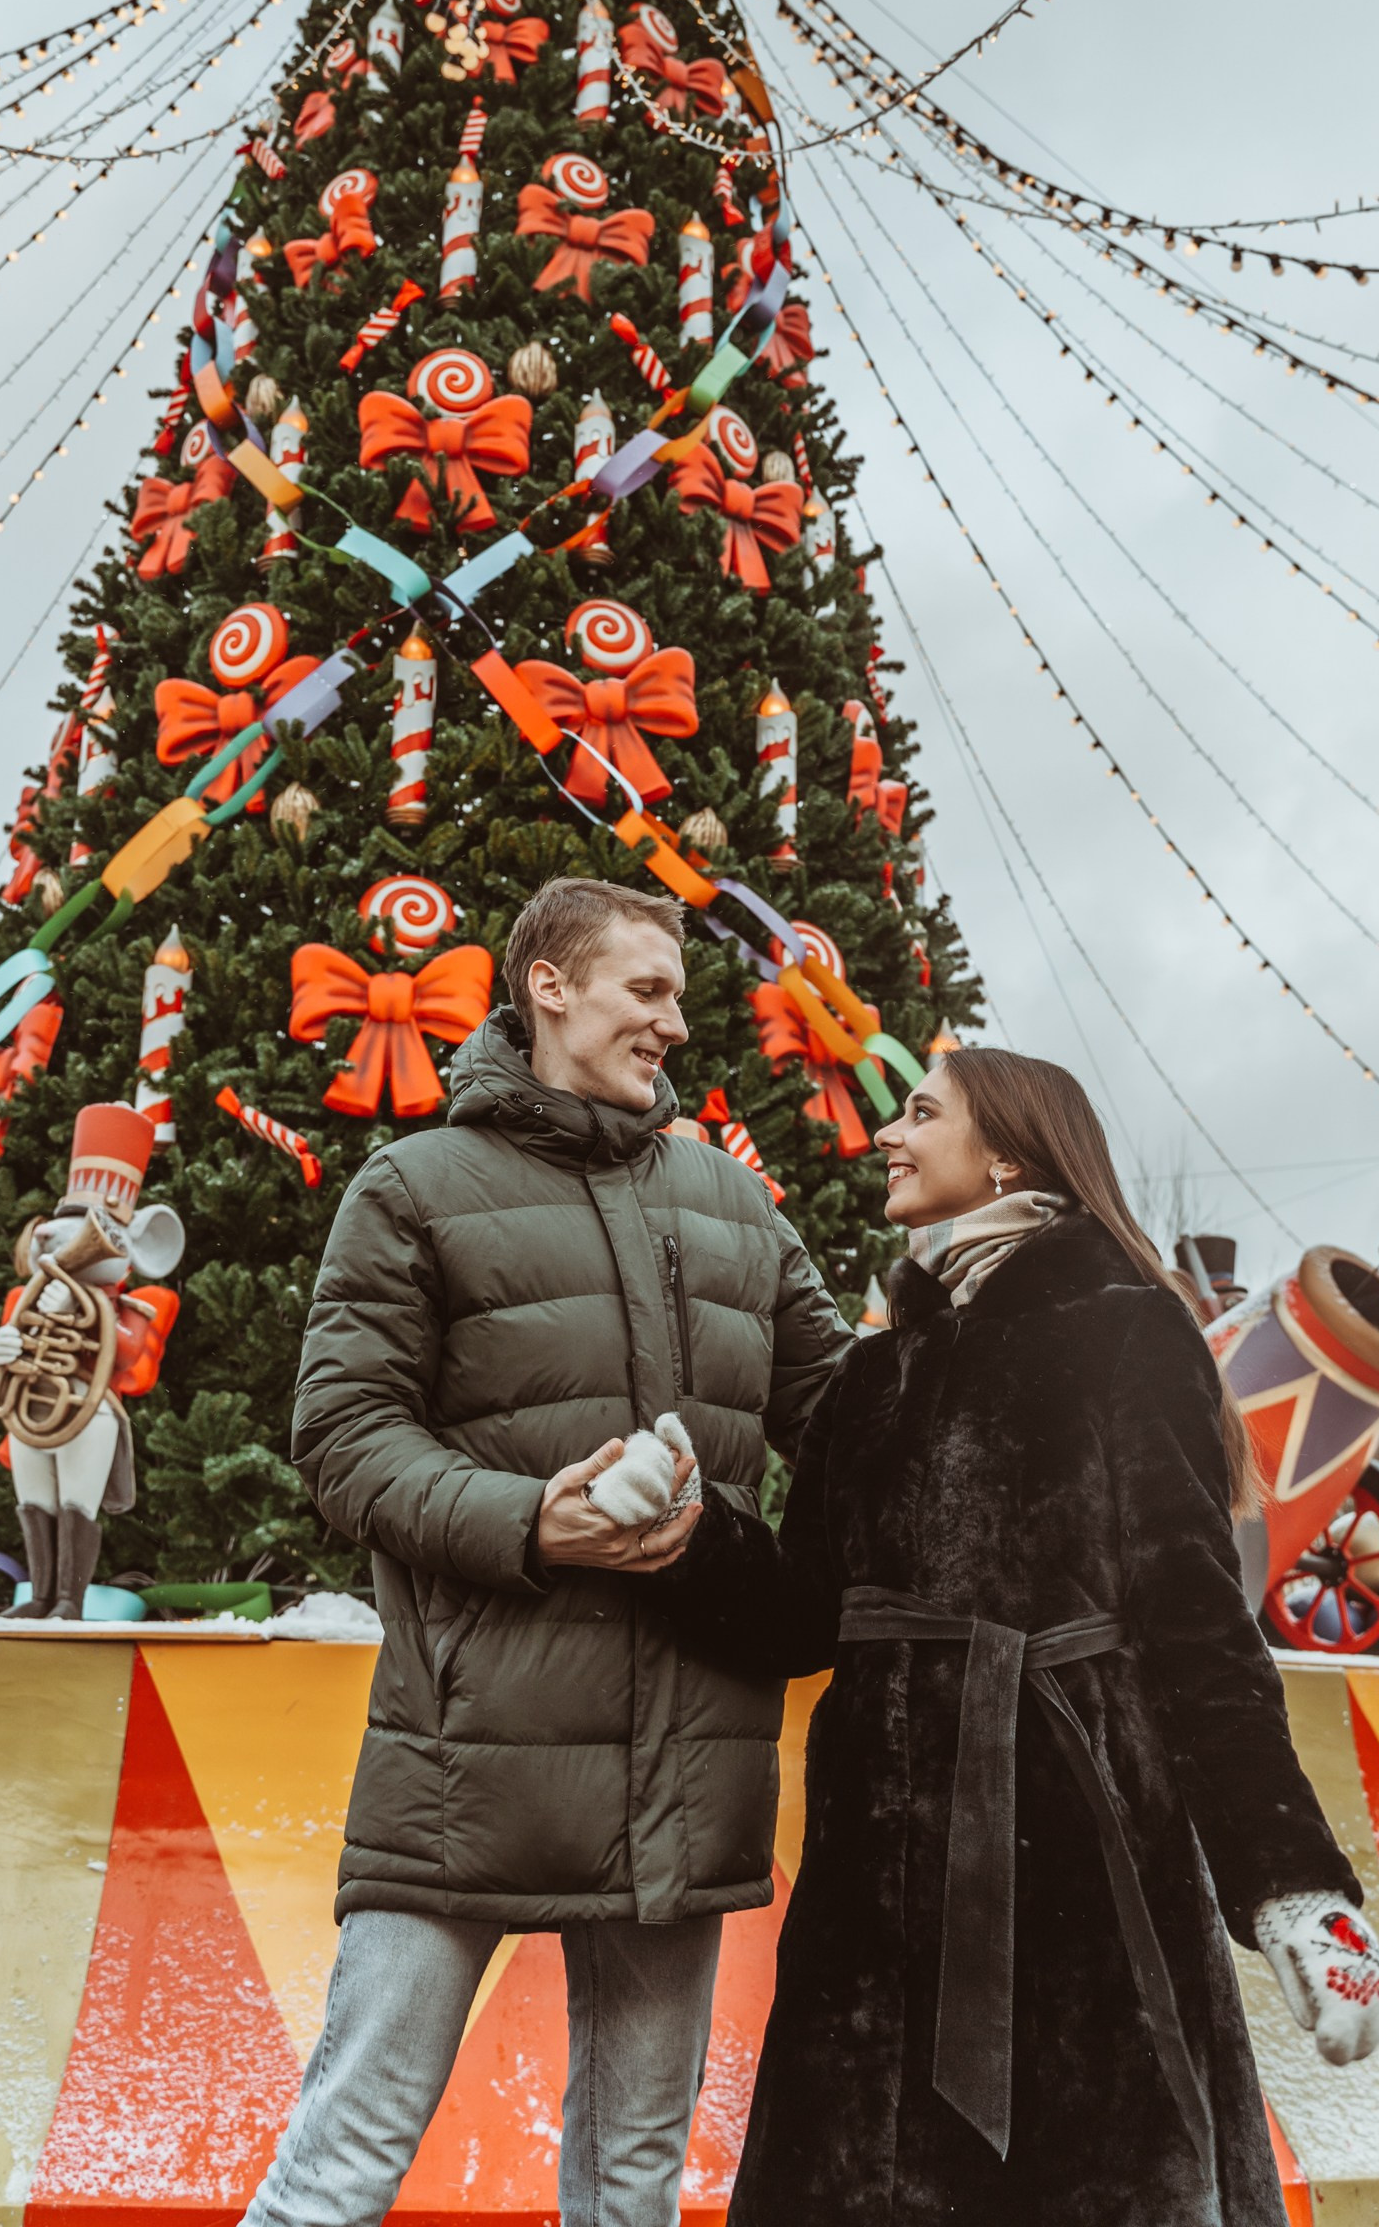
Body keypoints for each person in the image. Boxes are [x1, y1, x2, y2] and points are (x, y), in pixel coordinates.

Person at [653, 1046, 1379, 2227]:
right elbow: (803, 1614)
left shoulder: (1122, 1330)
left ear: (1006, 1150)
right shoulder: (871, 1374)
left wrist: (1294, 1887)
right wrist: (677, 1532)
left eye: (919, 1111)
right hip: (869, 1894)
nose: (887, 1135)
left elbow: (1194, 1625)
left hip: (1074, 1860)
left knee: (1085, 2182)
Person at [242, 875, 848, 2227]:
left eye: (681, 996)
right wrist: (531, 1523)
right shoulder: (413, 1186)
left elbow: (864, 1421)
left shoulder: (736, 1206)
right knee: (343, 2157)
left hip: (685, 1766)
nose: (676, 1025)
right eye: (648, 990)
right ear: (550, 987)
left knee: (633, 2181)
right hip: (470, 1754)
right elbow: (342, 1440)